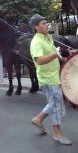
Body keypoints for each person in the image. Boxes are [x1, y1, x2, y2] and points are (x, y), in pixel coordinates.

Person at [30, 14, 72, 145]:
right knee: (56, 106)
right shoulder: (36, 41)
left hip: (54, 76)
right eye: (43, 23)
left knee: (56, 103)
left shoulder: (47, 37)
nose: (46, 25)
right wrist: (56, 54)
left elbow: (55, 53)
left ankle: (38, 119)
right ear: (36, 27)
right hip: (47, 79)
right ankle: (57, 134)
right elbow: (39, 60)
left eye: (46, 22)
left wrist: (63, 56)